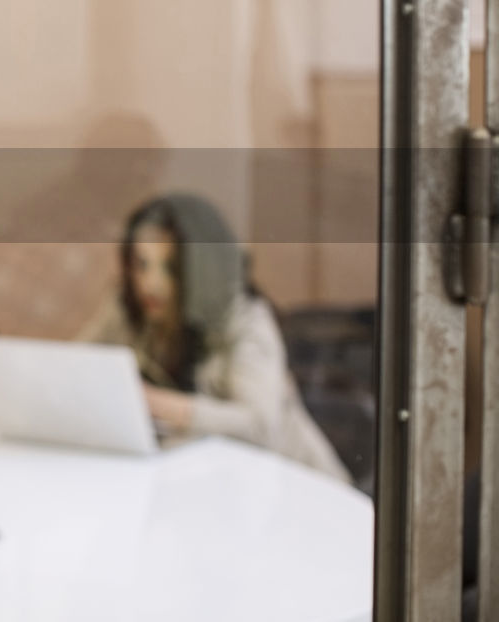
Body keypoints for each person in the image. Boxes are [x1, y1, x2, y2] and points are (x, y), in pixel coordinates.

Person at [75, 193, 350, 481]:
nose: (150, 284)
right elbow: (78, 364)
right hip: (200, 485)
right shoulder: (130, 309)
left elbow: (259, 428)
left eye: (170, 268)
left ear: (203, 268)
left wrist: (154, 403)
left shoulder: (246, 321)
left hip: (293, 488)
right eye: (141, 265)